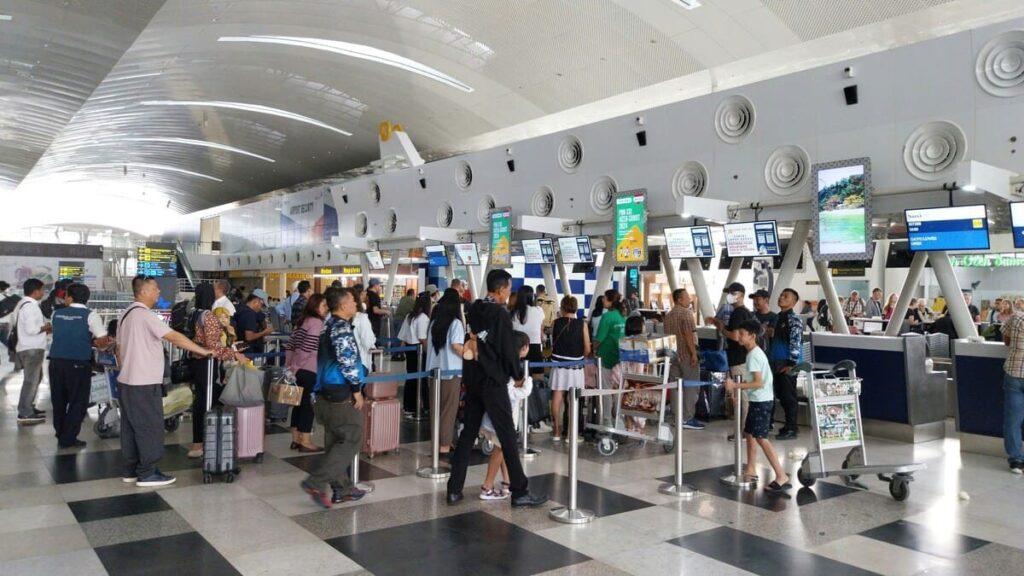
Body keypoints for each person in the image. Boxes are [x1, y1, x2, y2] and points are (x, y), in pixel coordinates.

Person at [447, 269, 547, 508]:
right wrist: (518, 375)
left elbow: (477, 340)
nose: (509, 293)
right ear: (501, 289)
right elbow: (506, 349)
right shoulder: (500, 314)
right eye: (509, 289)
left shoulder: (475, 308)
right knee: (508, 436)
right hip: (493, 382)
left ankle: (454, 489)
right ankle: (520, 492)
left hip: (474, 379)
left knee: (468, 434)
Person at [119, 276, 212, 487]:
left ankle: (131, 470)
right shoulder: (145, 315)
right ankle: (147, 472)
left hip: (127, 380)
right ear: (143, 292)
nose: (158, 292)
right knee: (149, 427)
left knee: (131, 427)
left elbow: (119, 347)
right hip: (144, 382)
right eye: (155, 288)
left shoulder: (126, 314)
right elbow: (174, 337)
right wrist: (202, 350)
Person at [300, 288, 367, 508]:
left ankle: (342, 489)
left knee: (334, 441)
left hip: (322, 392)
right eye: (352, 301)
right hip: (340, 392)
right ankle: (316, 482)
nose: (356, 304)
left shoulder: (326, 324)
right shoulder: (341, 328)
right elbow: (347, 360)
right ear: (343, 305)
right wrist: (356, 390)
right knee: (352, 437)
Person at [725, 319, 791, 492]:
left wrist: (735, 386)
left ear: (752, 336)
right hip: (758, 400)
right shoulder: (754, 353)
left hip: (761, 401)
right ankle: (751, 468)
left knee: (761, 438)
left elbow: (758, 383)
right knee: (750, 433)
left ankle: (781, 475)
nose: (739, 336)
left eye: (742, 334)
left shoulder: (754, 355)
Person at [187, 282, 248, 458]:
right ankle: (206, 442)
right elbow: (213, 347)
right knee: (210, 400)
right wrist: (234, 355)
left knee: (201, 401)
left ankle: (198, 442)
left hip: (195, 362)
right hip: (207, 363)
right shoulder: (209, 317)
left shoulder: (192, 314)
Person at [48, 283, 111, 448]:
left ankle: (61, 434)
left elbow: (57, 331)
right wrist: (96, 343)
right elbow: (102, 340)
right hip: (78, 364)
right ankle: (67, 438)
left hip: (56, 363)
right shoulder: (91, 316)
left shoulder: (56, 314)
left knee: (58, 401)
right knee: (78, 401)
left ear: (69, 297)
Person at [479, 331, 533, 500]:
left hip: (494, 414)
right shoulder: (512, 366)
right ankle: (487, 487)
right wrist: (527, 385)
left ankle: (507, 482)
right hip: (503, 416)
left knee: (503, 448)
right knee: (500, 449)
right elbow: (510, 392)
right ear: (523, 348)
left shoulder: (500, 361)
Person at [705, 282, 755, 424]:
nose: (730, 296)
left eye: (733, 293)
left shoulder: (738, 313)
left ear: (741, 295)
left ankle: (744, 429)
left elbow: (735, 336)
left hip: (738, 359)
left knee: (741, 394)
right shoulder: (746, 312)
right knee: (742, 393)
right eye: (729, 293)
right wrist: (721, 325)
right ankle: (744, 427)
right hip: (744, 357)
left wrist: (722, 329)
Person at [286, 293, 327, 453]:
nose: (326, 309)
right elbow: (307, 347)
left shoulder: (301, 322)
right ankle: (306, 441)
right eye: (323, 305)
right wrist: (297, 365)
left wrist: (290, 367)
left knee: (298, 404)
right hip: (309, 369)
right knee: (307, 405)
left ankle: (295, 439)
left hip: (297, 371)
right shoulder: (316, 322)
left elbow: (290, 346)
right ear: (315, 307)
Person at [426, 289, 466, 457]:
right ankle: (444, 446)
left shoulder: (434, 323)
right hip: (451, 372)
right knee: (448, 410)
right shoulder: (455, 323)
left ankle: (437, 442)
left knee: (436, 409)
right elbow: (456, 346)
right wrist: (470, 355)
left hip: (433, 372)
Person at [549, 296, 591, 442]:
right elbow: (587, 349)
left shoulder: (555, 323)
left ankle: (556, 430)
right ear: (576, 308)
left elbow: (551, 343)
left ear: (562, 308)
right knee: (573, 399)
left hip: (558, 364)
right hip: (575, 365)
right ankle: (570, 434)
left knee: (557, 395)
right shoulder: (582, 324)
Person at [13, 279, 51, 425]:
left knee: (36, 378)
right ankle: (25, 412)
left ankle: (28, 406)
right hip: (32, 348)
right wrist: (46, 327)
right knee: (31, 381)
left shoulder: (23, 304)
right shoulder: (30, 307)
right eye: (42, 290)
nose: (43, 293)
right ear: (35, 291)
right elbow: (31, 330)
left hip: (29, 347)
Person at [664, 289, 702, 430]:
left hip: (673, 356)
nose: (689, 299)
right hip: (686, 355)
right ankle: (687, 417)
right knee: (691, 386)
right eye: (687, 297)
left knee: (675, 386)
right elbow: (688, 335)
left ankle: (676, 416)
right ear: (679, 299)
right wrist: (694, 354)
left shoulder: (668, 316)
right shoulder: (686, 313)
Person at [769, 288, 803, 440]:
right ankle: (789, 425)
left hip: (787, 363)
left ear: (793, 302)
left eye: (786, 296)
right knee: (781, 395)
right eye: (781, 295)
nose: (781, 297)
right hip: (776, 361)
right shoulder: (777, 318)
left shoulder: (794, 319)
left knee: (789, 396)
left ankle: (792, 428)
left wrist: (792, 363)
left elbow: (796, 341)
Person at [595, 289, 627, 424]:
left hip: (606, 358)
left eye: (604, 298)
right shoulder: (623, 315)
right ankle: (619, 420)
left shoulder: (607, 317)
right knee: (618, 391)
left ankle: (607, 421)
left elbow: (599, 339)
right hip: (620, 358)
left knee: (606, 391)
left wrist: (592, 350)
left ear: (610, 300)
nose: (602, 300)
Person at [400, 292, 432, 415]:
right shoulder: (423, 318)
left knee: (411, 378)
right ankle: (420, 407)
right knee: (420, 379)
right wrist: (429, 352)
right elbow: (422, 338)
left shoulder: (410, 315)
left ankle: (409, 406)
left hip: (410, 350)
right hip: (418, 350)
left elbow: (403, 337)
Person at [1002, 303, 1024, 474]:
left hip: (1014, 373)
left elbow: (1006, 340)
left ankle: (1016, 460)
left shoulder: (1016, 317)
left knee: (1013, 419)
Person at [511, 285, 545, 380]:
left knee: (519, 380)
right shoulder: (538, 310)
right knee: (538, 380)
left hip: (518, 348)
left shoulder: (513, 313)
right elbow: (541, 330)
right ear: (532, 296)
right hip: (535, 348)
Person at [235, 289, 272, 353]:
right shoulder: (250, 314)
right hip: (247, 351)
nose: (260, 308)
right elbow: (249, 337)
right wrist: (264, 332)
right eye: (262, 305)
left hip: (238, 347)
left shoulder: (240, 308)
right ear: (256, 301)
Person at [350, 285, 377, 373]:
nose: (366, 294)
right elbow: (367, 342)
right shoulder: (361, 317)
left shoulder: (337, 320)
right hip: (360, 361)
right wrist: (373, 341)